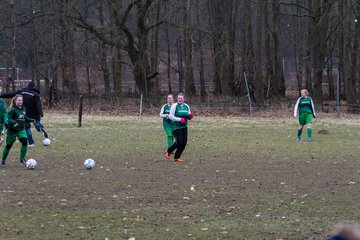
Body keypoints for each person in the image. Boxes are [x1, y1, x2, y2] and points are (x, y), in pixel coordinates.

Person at [0, 81, 48, 148]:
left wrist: (1, 95)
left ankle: (31, 143)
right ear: (34, 87)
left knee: (27, 128)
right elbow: (38, 104)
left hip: (25, 113)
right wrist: (40, 113)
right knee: (37, 123)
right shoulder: (35, 94)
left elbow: (11, 94)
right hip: (35, 113)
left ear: (28, 86)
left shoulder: (21, 92)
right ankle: (40, 129)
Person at [1, 94, 34, 166]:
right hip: (12, 131)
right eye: (19, 100)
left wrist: (32, 120)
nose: (20, 101)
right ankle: (3, 160)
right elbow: (8, 118)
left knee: (24, 141)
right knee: (8, 145)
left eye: (21, 100)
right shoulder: (12, 109)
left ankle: (22, 159)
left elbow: (24, 118)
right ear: (15, 101)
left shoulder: (23, 109)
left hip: (21, 130)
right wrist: (14, 123)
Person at [165, 93, 193, 162]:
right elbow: (171, 116)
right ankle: (169, 151)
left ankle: (177, 157)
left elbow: (188, 114)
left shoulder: (186, 106)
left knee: (184, 143)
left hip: (184, 126)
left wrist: (190, 117)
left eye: (181, 98)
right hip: (176, 127)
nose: (180, 99)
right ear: (177, 99)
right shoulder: (174, 106)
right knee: (179, 142)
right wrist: (180, 119)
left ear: (184, 99)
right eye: (179, 98)